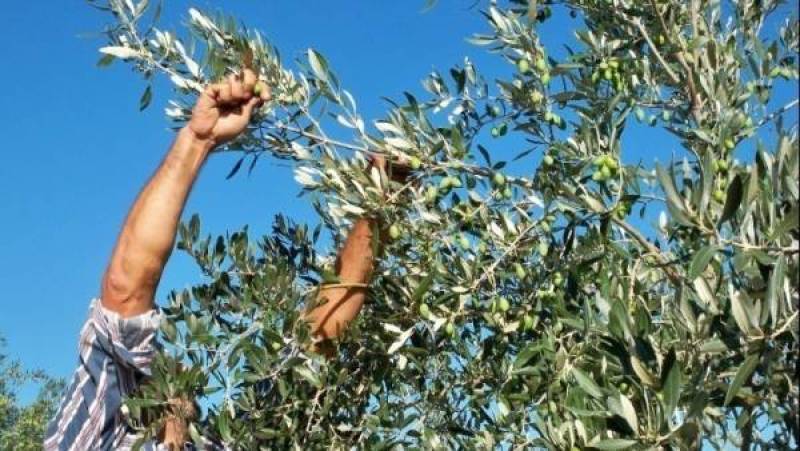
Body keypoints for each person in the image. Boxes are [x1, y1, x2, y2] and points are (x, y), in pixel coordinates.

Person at [43, 69, 391, 450]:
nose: (180, 363)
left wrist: (379, 202)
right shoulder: (96, 432)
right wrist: (198, 140)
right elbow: (123, 290)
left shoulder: (216, 441)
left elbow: (315, 343)